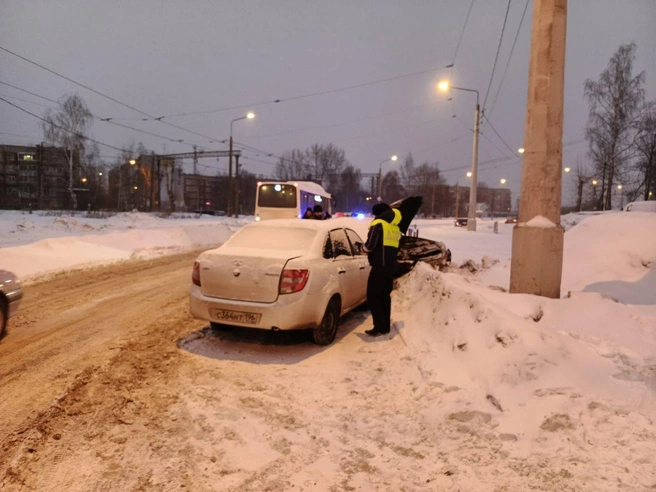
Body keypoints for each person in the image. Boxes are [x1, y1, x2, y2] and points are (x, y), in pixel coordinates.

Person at [361, 202, 402, 337]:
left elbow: (370, 246)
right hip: (391, 267)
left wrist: (361, 248)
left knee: (372, 297)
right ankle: (385, 327)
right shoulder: (395, 227)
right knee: (385, 296)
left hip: (379, 266)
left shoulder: (378, 224)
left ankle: (378, 327)